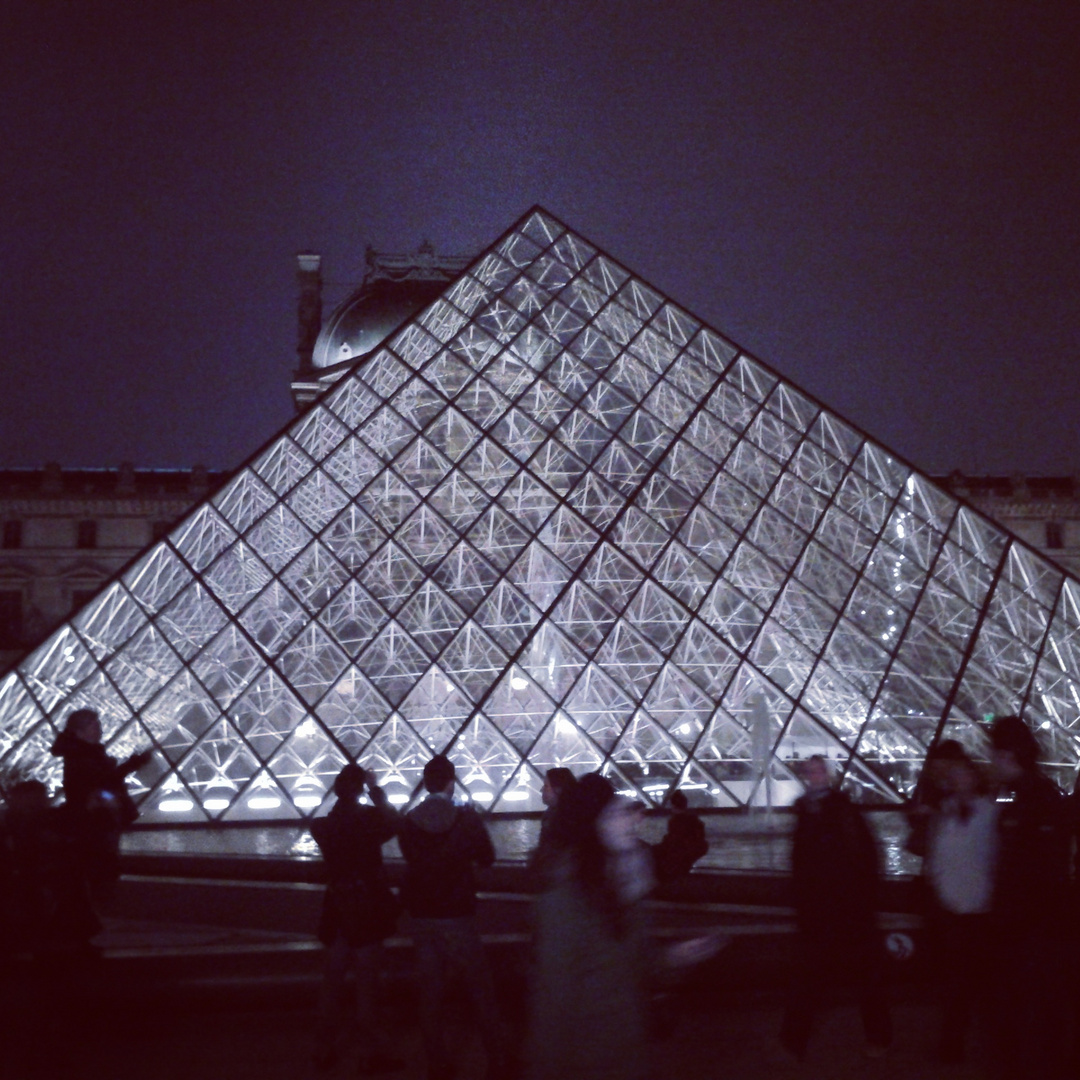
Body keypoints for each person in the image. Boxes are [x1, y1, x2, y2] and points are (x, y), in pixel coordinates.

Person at [526, 774, 721, 1080]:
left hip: (625, 1045)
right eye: (620, 813)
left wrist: (675, 957)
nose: (635, 819)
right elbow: (554, 997)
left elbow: (635, 961)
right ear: (593, 824)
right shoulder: (566, 894)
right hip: (588, 1056)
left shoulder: (625, 880)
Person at [399, 755, 507, 1080]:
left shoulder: (408, 822)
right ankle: (498, 1062)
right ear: (451, 782)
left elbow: (411, 861)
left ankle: (437, 1063)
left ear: (425, 781)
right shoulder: (466, 818)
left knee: (430, 991)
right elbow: (487, 858)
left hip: (421, 914)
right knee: (480, 988)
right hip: (457, 911)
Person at [780, 756, 891, 1061]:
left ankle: (794, 1041)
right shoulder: (817, 809)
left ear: (826, 775)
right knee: (859, 978)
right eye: (810, 771)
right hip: (830, 909)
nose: (814, 775)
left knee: (818, 978)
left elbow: (861, 857)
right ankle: (876, 1037)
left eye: (818, 770)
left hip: (842, 908)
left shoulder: (834, 810)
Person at [988, 715, 1071, 1079]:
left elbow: (1035, 870)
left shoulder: (1032, 800)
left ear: (1007, 755)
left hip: (1030, 927)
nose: (990, 762)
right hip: (1039, 925)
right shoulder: (1038, 794)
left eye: (994, 754)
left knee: (1032, 1007)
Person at [309, 763, 402, 1075]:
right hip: (366, 908)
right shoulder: (370, 820)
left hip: (337, 907)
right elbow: (395, 822)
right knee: (367, 984)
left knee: (331, 983)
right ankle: (369, 1053)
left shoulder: (321, 826)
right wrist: (376, 790)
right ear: (359, 789)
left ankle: (323, 1050)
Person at [921, 746, 998, 1064]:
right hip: (952, 912)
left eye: (962, 773)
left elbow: (995, 858)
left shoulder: (990, 812)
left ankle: (967, 1042)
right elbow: (935, 858)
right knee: (957, 983)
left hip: (979, 912)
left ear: (974, 778)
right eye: (954, 775)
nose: (956, 779)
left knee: (970, 983)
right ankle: (955, 1043)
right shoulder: (945, 812)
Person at [49, 708, 150, 925]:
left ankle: (99, 917)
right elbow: (100, 783)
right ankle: (100, 917)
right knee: (101, 866)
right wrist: (130, 767)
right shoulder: (83, 754)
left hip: (97, 818)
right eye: (95, 726)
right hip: (96, 820)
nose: (100, 729)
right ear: (79, 731)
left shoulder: (81, 752)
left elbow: (101, 781)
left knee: (100, 866)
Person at [651, 789, 708, 885]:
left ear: (673, 806)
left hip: (681, 851)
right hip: (693, 849)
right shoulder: (695, 820)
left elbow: (673, 841)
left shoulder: (675, 821)